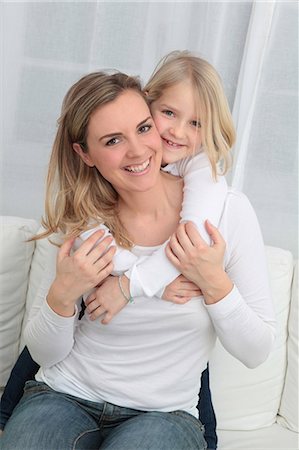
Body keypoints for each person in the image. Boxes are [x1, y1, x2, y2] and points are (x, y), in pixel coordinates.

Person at [1, 68, 275, 450]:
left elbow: (256, 351)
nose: (137, 150)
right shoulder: (82, 220)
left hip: (163, 415)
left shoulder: (225, 213)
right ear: (85, 153)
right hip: (63, 395)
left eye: (143, 129)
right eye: (113, 140)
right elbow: (46, 353)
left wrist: (212, 281)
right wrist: (63, 295)